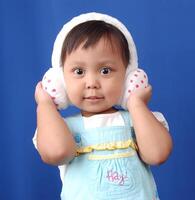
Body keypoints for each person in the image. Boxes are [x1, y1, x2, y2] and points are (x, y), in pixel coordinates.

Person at [33, 12, 172, 200]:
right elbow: (58, 152)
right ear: (60, 82)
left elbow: (157, 155)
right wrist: (45, 105)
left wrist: (136, 104)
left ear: (128, 77)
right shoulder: (60, 129)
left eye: (105, 71)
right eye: (79, 71)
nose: (92, 83)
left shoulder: (138, 121)